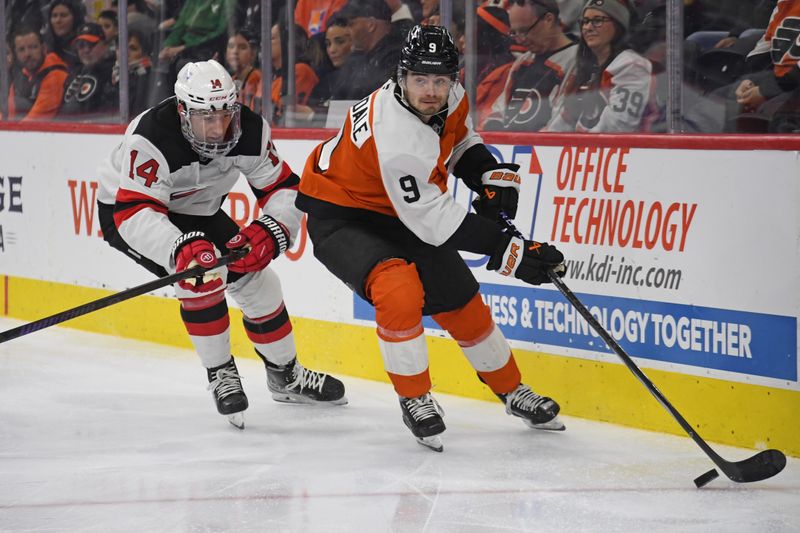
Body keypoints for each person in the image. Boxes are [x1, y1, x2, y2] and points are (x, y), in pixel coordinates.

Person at [296, 25, 567, 452]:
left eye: (441, 80)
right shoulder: (396, 134)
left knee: (461, 298)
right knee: (398, 289)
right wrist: (508, 250)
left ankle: (512, 391)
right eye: (421, 80)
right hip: (343, 215)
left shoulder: (449, 98)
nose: (431, 91)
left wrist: (484, 173)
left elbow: (459, 140)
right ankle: (415, 398)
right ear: (401, 77)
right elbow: (435, 219)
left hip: (398, 209)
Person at [96, 59, 347, 429]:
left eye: (224, 115)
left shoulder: (250, 130)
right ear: (183, 112)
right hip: (130, 212)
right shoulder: (151, 137)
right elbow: (134, 211)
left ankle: (286, 376)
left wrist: (272, 229)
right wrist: (178, 248)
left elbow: (283, 188)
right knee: (200, 276)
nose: (217, 129)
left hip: (198, 210)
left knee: (259, 280)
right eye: (205, 118)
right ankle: (220, 372)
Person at [546, 0, 652, 132]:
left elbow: (617, 128)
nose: (588, 27)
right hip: (578, 150)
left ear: (618, 24)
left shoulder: (632, 66)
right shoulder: (585, 70)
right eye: (584, 21)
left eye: (597, 20)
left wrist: (575, 145)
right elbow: (562, 122)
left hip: (614, 150)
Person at [478, 0, 577, 131]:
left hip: (542, 149)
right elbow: (498, 111)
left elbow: (561, 124)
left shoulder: (576, 60)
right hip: (510, 147)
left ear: (548, 20)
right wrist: (494, 129)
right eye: (514, 33)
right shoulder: (523, 62)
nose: (520, 39)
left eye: (524, 31)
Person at [330, 0, 408, 100]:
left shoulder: (396, 57)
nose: (347, 32)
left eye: (351, 24)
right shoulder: (356, 60)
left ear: (371, 25)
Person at [6, 25, 69, 121]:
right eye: (21, 49)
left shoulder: (55, 75)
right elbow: (7, 114)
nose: (27, 54)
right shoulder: (20, 76)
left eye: (33, 47)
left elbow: (36, 121)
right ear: (15, 53)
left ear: (44, 48)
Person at [59, 22, 118, 121]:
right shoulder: (75, 72)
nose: (86, 50)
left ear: (105, 45)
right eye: (81, 45)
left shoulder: (115, 73)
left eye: (91, 45)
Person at [225, 29, 262, 113]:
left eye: (242, 47)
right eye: (231, 46)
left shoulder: (258, 79)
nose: (235, 52)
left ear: (253, 53)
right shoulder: (230, 80)